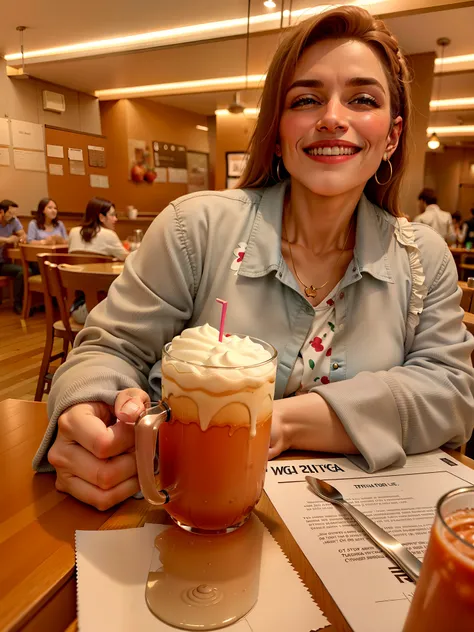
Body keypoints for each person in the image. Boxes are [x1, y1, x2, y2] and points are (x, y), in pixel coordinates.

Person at [33, 6, 474, 511]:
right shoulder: (194, 227)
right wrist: (90, 405)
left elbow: (451, 393)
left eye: (362, 99)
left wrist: (276, 421)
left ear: (391, 136)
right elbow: (108, 349)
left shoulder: (425, 258)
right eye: (306, 99)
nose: (333, 117)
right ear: (280, 133)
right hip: (188, 508)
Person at [0, 199, 26, 314]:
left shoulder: (13, 221)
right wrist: (7, 239)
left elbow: (23, 235)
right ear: (1, 212)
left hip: (1, 263)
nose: (12, 216)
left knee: (23, 271)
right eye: (10, 213)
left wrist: (20, 239)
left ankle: (18, 304)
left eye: (14, 213)